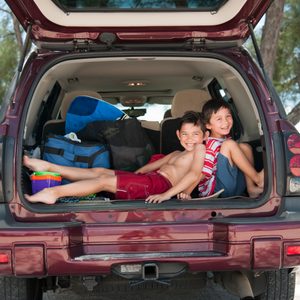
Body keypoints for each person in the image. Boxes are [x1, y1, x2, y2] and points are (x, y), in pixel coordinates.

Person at [23, 111, 207, 205]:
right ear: (177, 134)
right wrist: (129, 176)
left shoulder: (200, 150)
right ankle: (49, 166)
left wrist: (168, 195)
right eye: (185, 134)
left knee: (103, 181)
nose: (189, 139)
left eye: (195, 134)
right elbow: (146, 169)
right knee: (101, 171)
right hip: (148, 180)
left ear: (205, 136)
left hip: (160, 186)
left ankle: (53, 193)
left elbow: (194, 175)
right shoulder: (176, 154)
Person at [179, 99, 264, 199]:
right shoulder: (211, 145)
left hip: (233, 187)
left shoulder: (226, 140)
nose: (226, 122)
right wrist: (187, 192)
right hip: (217, 191)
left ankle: (251, 189)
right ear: (208, 125)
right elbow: (202, 173)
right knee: (229, 144)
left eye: (228, 116)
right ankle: (258, 179)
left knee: (245, 147)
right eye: (219, 119)